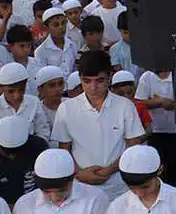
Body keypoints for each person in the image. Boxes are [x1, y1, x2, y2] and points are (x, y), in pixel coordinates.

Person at [53, 50, 145, 200]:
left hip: (118, 187)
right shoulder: (66, 109)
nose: (93, 87)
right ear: (80, 79)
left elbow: (133, 147)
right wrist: (80, 173)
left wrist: (108, 171)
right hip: (80, 187)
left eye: (100, 80)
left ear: (109, 78)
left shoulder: (125, 106)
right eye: (87, 81)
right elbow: (64, 150)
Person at [13, 147, 109, 214]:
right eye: (47, 192)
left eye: (61, 191)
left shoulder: (95, 198)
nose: (55, 197)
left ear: (72, 179)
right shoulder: (25, 204)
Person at [0, 116, 47, 206]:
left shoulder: (39, 147)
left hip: (34, 205)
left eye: (17, 150)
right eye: (6, 151)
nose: (12, 155)